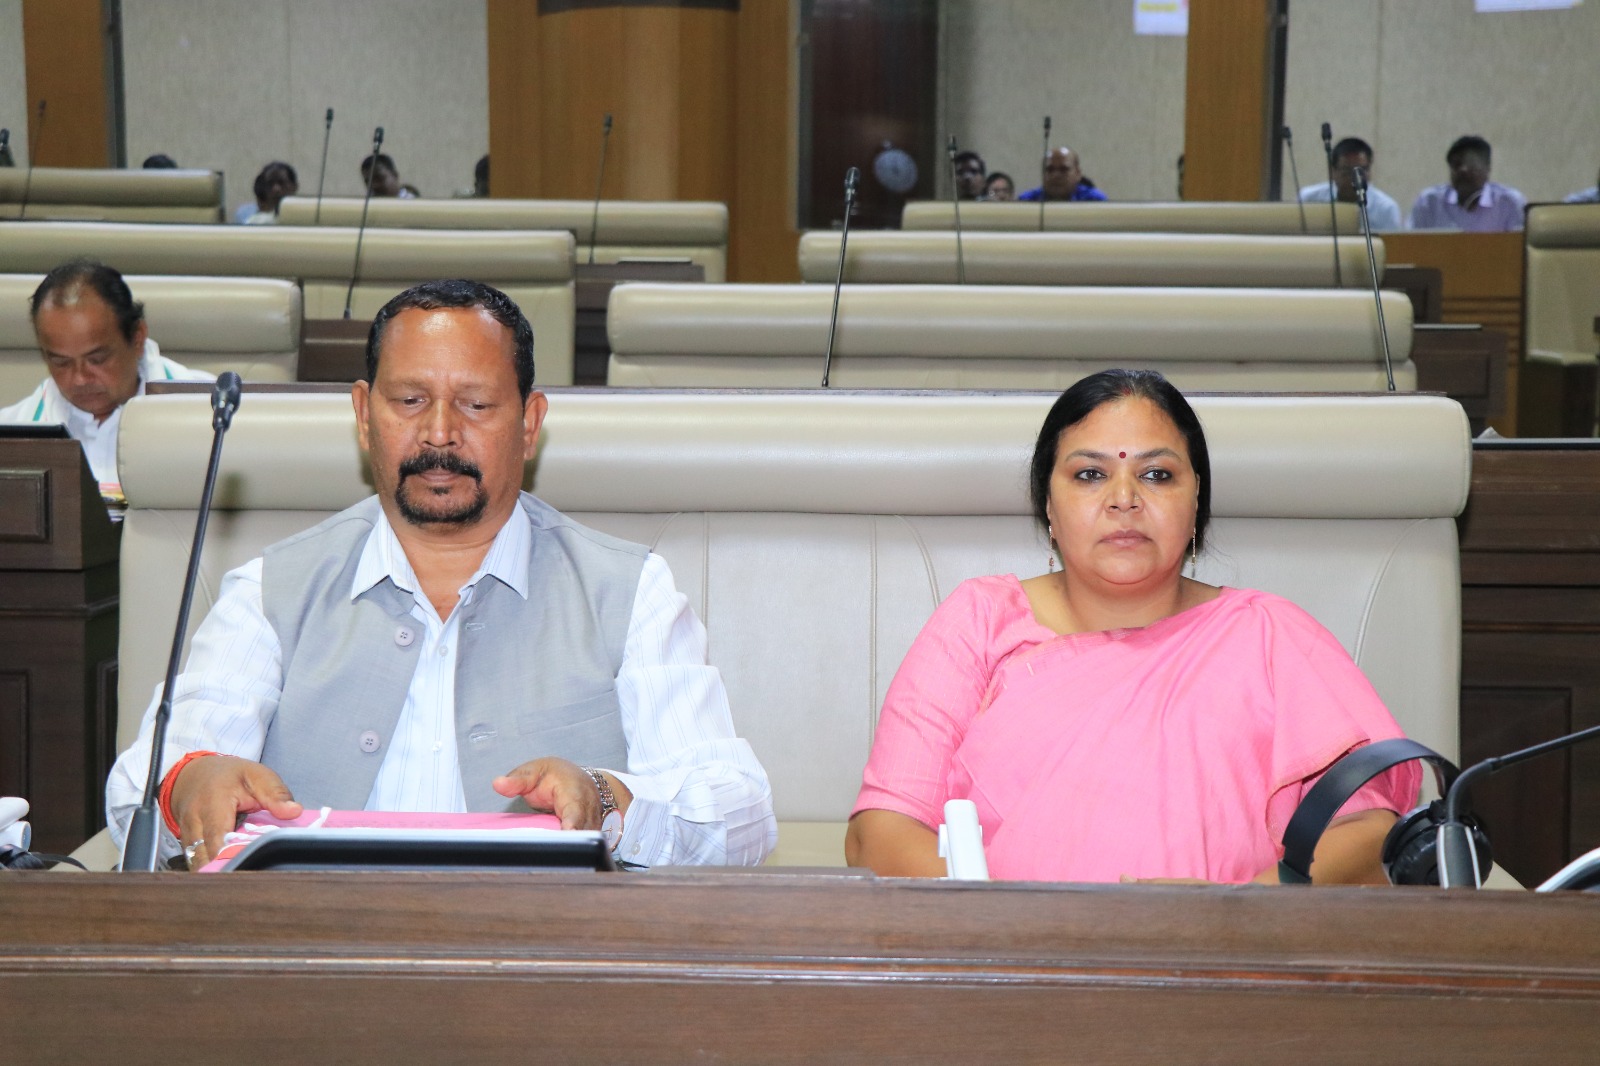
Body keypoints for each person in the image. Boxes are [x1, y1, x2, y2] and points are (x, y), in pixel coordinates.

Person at [105, 279, 777, 871]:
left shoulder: (630, 593)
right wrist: (188, 784)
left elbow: (740, 814)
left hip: (543, 953)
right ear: (363, 415)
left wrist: (608, 799)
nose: (439, 434)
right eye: (409, 400)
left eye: (476, 405)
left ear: (530, 423)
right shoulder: (270, 590)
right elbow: (142, 780)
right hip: (320, 948)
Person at [845, 369, 1419, 884]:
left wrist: (1236, 917)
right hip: (1001, 955)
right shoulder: (980, 622)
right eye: (1090, 473)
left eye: (1157, 474)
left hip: (1232, 958)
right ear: (1048, 506)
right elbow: (881, 832)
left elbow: (1369, 827)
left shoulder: (1271, 635)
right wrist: (1012, 931)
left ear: (1196, 501)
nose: (1124, 498)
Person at [0, 260, 210, 488]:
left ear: (137, 338)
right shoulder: (10, 437)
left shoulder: (213, 417)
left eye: (97, 360)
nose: (80, 379)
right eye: (61, 362)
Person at [1408, 135, 1526, 232]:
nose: (1463, 170)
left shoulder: (1510, 203)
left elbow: (1522, 250)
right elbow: (1411, 246)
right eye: (1457, 164)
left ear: (1488, 168)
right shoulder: (1429, 203)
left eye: (1471, 164)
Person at [1297, 136, 1402, 232]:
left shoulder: (1386, 209)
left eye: (1362, 171)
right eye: (1348, 171)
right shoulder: (1309, 199)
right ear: (1332, 172)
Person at [1018, 147, 1107, 202]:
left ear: (1078, 174)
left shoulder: (1094, 200)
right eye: (1050, 170)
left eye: (1063, 170)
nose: (1056, 175)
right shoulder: (1027, 200)